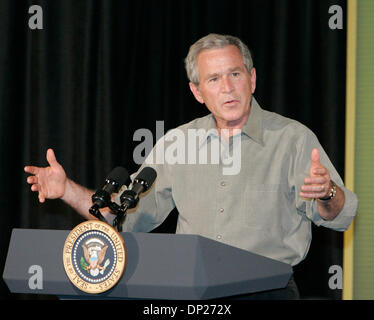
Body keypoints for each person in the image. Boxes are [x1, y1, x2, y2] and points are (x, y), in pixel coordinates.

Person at [24, 34, 358, 299]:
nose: (227, 87)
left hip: (266, 292)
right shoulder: (176, 143)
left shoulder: (293, 139)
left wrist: (327, 193)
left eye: (235, 74)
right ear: (197, 92)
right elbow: (121, 218)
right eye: (213, 79)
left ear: (252, 79)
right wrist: (67, 190)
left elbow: (338, 216)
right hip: (191, 293)